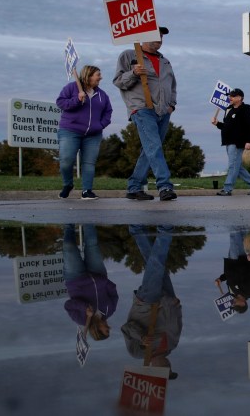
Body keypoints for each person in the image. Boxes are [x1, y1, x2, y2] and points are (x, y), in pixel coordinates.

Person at [113, 26, 178, 202]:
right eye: (156, 36)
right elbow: (118, 81)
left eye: (162, 37)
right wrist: (133, 73)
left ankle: (134, 187)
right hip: (141, 108)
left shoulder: (165, 62)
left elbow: (172, 85)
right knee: (154, 146)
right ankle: (164, 185)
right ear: (144, 36)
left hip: (163, 111)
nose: (160, 39)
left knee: (150, 149)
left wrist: (171, 105)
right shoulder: (129, 55)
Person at [122, 225, 182, 380]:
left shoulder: (137, 352)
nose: (167, 366)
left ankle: (166, 230)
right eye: (169, 368)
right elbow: (177, 323)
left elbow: (126, 328)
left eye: (164, 369)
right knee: (154, 263)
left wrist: (141, 337)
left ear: (153, 368)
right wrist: (176, 305)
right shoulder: (172, 345)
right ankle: (136, 230)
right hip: (168, 299)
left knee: (156, 265)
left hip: (147, 304)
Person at [56, 65, 112, 200]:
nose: (100, 77)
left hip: (93, 134)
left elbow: (108, 112)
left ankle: (87, 190)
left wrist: (100, 125)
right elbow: (61, 103)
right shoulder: (71, 88)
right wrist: (77, 100)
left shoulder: (102, 95)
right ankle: (68, 184)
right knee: (66, 161)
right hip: (70, 131)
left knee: (89, 163)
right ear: (89, 75)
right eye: (98, 74)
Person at [63, 224, 118, 341]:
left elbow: (68, 305)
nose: (109, 326)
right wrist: (104, 281)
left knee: (69, 247)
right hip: (98, 273)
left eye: (106, 329)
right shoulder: (110, 310)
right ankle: (87, 216)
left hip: (75, 279)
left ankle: (68, 224)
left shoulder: (80, 319)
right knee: (92, 243)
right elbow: (113, 294)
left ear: (98, 330)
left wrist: (84, 307)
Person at [210, 88, 250, 196]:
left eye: (232, 96)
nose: (230, 98)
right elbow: (226, 126)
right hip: (227, 142)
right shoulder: (228, 109)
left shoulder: (245, 109)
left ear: (239, 98)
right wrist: (217, 124)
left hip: (238, 142)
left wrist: (249, 141)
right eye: (230, 96)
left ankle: (227, 188)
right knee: (236, 166)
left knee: (233, 166)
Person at [215, 228, 250, 313]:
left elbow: (229, 276)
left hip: (232, 260)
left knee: (237, 237)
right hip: (240, 259)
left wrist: (220, 279)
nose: (233, 304)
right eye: (235, 305)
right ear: (243, 304)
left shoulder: (232, 293)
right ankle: (239, 219)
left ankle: (240, 219)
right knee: (236, 235)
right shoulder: (249, 292)